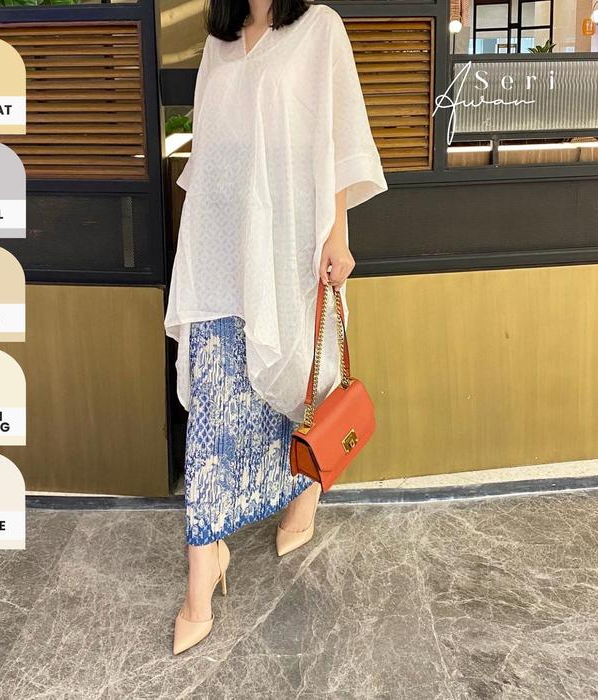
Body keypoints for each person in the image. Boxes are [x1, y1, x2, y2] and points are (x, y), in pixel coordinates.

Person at [164, 0, 388, 655]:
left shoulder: (319, 28)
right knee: (213, 408)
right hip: (220, 249)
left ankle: (304, 495)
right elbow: (208, 152)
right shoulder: (218, 43)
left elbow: (336, 137)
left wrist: (338, 233)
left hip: (290, 244)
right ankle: (204, 561)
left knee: (298, 380)